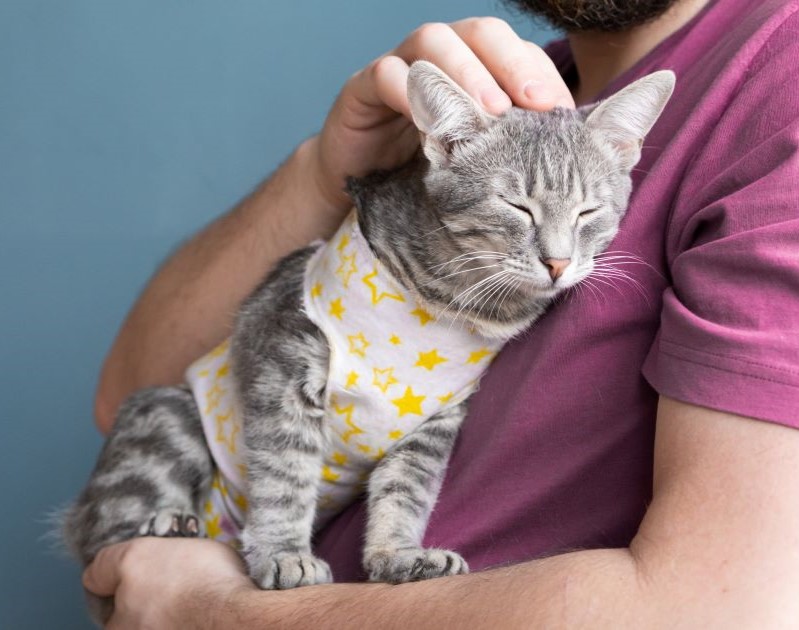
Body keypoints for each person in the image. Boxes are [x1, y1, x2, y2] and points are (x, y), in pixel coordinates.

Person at [83, 0, 799, 626]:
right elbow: (126, 395)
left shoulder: (777, 85)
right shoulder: (507, 99)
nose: (556, 257)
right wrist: (326, 173)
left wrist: (210, 613)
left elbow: (724, 612)